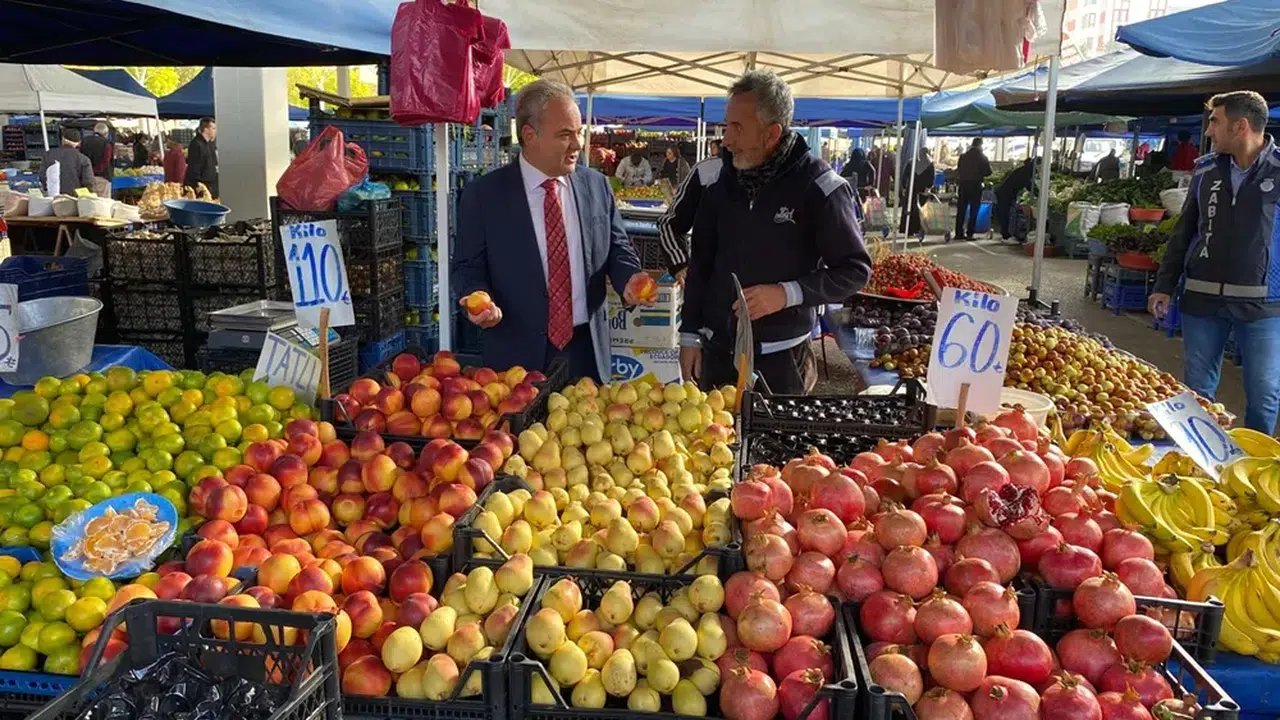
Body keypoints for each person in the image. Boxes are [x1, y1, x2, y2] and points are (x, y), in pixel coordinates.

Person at [678, 70, 871, 395]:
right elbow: (701, 265)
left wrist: (786, 293)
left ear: (772, 134)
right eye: (726, 126)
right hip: (717, 354)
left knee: (779, 446)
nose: (726, 139)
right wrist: (689, 336)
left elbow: (855, 271)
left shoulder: (820, 188)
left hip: (781, 362)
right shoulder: (717, 181)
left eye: (737, 128)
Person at [452, 79, 652, 382]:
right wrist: (476, 296)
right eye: (564, 135)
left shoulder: (596, 186)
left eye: (579, 133)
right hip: (515, 357)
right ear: (530, 136)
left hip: (587, 352)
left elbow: (616, 247)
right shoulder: (483, 195)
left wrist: (630, 278)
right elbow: (468, 267)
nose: (577, 145)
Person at [1149, 90, 1280, 434]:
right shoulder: (1205, 170)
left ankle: (1253, 470)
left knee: (1264, 394)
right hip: (1202, 299)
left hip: (1263, 305)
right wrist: (1164, 286)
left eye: (1215, 122)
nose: (1208, 131)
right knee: (1196, 392)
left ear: (1240, 126)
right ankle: (1196, 461)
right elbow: (1183, 233)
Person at [954, 138, 992, 241]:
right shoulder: (982, 157)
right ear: (981, 145)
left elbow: (959, 170)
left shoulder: (963, 157)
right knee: (973, 211)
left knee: (961, 210)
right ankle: (970, 233)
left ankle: (958, 233)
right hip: (976, 186)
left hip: (963, 186)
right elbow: (988, 172)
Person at [39, 128, 94, 196]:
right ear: (79, 143)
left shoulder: (48, 155)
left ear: (63, 139)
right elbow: (88, 182)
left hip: (53, 196)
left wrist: (48, 188)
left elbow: (42, 176)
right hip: (74, 198)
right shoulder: (84, 159)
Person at [898, 148, 935, 237]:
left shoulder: (911, 162)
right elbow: (931, 178)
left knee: (909, 209)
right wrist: (928, 187)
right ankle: (918, 228)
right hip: (922, 191)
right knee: (920, 210)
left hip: (911, 189)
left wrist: (903, 187)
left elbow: (904, 176)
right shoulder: (930, 164)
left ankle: (907, 229)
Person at [184, 117, 218, 197]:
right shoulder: (196, 144)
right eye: (213, 128)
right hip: (200, 187)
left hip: (210, 185)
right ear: (206, 130)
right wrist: (197, 185)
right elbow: (194, 167)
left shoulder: (209, 144)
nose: (215, 131)